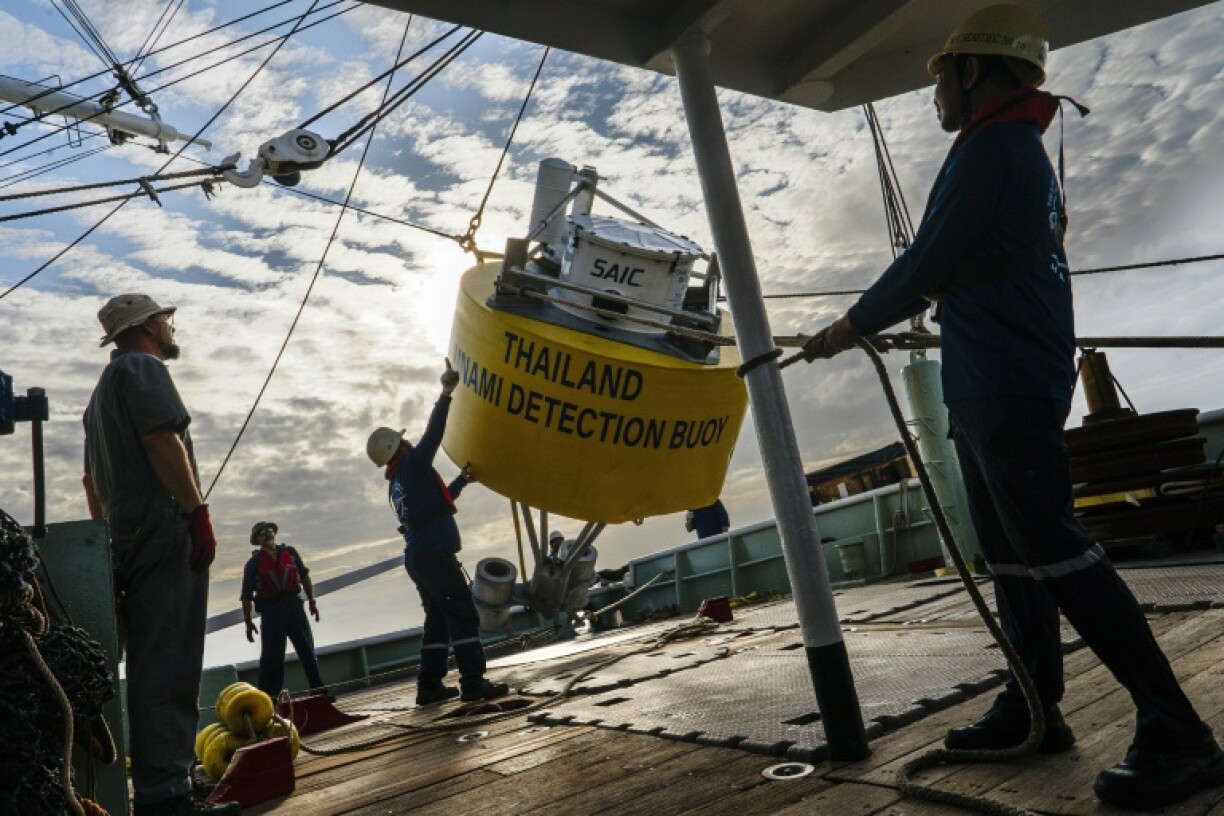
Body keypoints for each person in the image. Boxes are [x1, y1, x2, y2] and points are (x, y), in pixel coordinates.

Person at [801, 6, 1222, 810]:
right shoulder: (1005, 149)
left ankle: (1179, 732)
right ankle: (1034, 706)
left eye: (942, 79)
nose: (934, 97)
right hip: (988, 373)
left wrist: (851, 322)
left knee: (1054, 549)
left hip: (1003, 376)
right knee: (1012, 553)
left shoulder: (995, 149)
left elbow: (933, 256)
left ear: (978, 72)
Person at [82, 294, 238, 816]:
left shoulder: (99, 395)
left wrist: (108, 537)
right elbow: (161, 440)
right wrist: (196, 512)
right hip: (163, 531)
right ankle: (165, 796)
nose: (171, 329)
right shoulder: (143, 369)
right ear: (148, 325)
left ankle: (161, 787)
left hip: (124, 536)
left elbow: (90, 480)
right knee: (169, 661)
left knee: (150, 659)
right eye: (166, 321)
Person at [366, 359, 509, 706]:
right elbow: (434, 434)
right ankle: (473, 683)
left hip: (418, 557)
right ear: (398, 448)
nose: (410, 441)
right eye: (403, 440)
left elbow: (431, 506)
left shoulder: (398, 481)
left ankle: (428, 687)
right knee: (462, 613)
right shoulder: (413, 466)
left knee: (437, 620)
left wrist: (461, 481)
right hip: (433, 555)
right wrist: (445, 394)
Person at [240, 521, 329, 700]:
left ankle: (319, 691)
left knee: (307, 649)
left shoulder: (290, 553)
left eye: (269, 530)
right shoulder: (253, 564)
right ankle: (269, 701)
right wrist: (248, 622)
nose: (267, 533)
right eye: (262, 533)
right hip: (271, 611)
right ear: (257, 540)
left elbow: (304, 577)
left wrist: (312, 601)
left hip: (294, 606)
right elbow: (246, 596)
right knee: (271, 657)